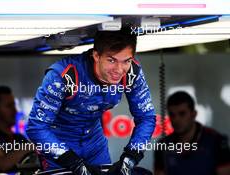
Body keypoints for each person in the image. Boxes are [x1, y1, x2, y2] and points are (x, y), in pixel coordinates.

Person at [26, 28, 156, 175]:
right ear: (96, 55)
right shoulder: (64, 74)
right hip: (59, 145)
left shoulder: (132, 72)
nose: (119, 70)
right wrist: (72, 162)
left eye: (126, 61)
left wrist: (130, 158)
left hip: (95, 144)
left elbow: (146, 117)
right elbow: (37, 127)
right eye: (111, 60)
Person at [154, 91, 230, 175]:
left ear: (193, 114)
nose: (176, 120)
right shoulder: (163, 145)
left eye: (182, 114)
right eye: (172, 115)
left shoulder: (216, 141)